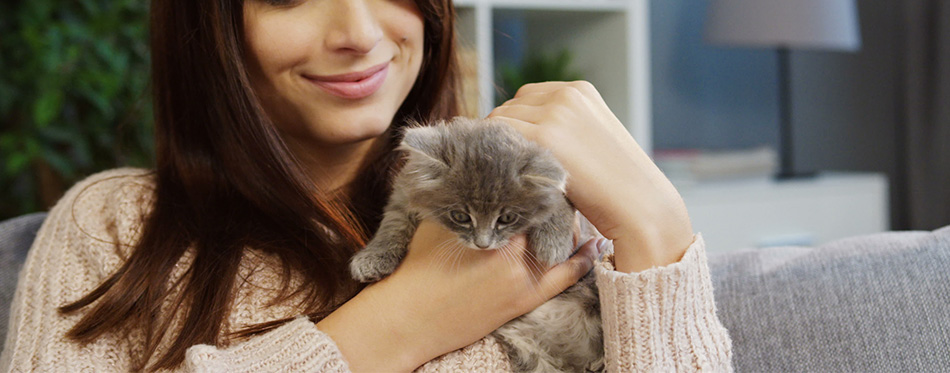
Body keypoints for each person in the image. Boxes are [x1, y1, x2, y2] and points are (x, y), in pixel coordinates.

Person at [0, 0, 733, 371]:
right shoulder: (113, 225)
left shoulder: (532, 195)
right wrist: (404, 317)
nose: (356, 31)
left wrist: (657, 229)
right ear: (212, 25)